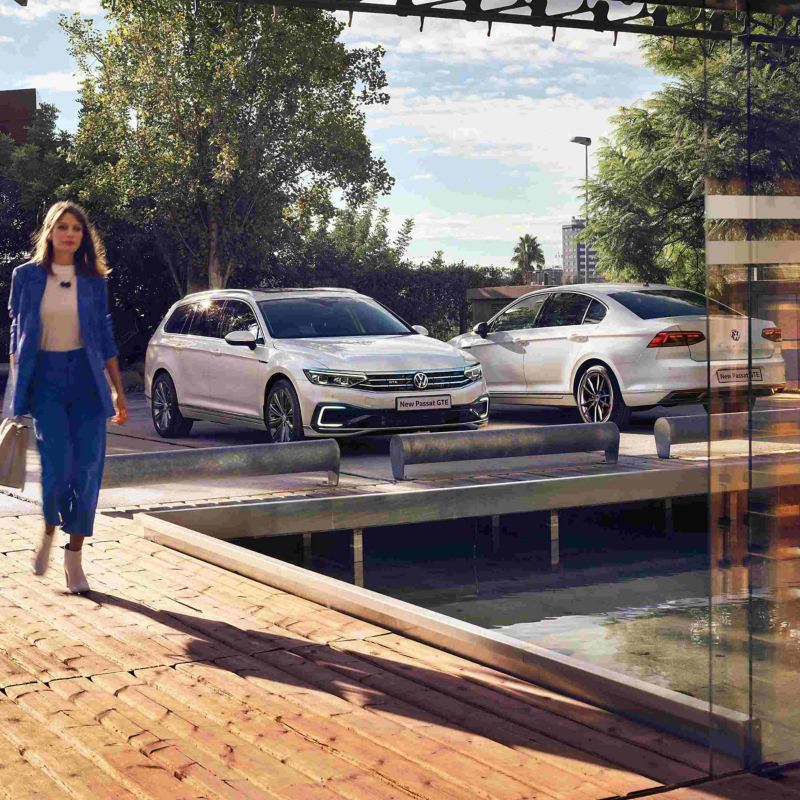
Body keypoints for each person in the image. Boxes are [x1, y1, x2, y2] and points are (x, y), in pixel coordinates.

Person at [8, 201, 128, 593]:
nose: (70, 233)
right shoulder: (25, 276)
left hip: (87, 380)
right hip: (46, 380)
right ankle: (47, 527)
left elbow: (105, 339)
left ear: (83, 236)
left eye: (77, 227)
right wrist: (18, 379)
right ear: (50, 232)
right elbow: (17, 331)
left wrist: (119, 393)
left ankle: (74, 556)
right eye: (63, 227)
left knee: (89, 469)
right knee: (56, 466)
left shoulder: (94, 279)